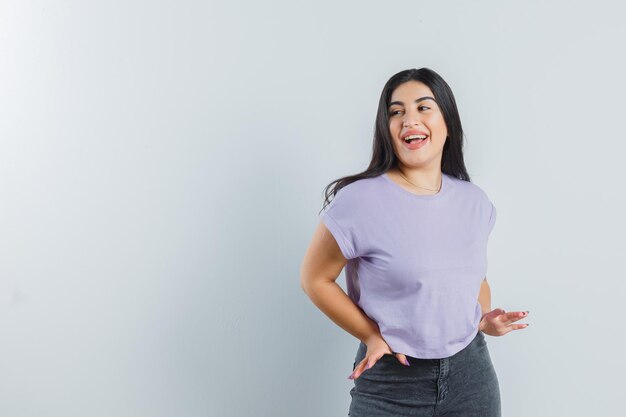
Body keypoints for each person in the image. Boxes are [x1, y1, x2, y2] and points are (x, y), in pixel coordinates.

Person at [300, 67, 529, 417]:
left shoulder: (475, 202)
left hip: (472, 376)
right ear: (387, 128)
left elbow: (475, 280)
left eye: (424, 107)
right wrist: (371, 335)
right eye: (396, 112)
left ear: (447, 122)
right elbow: (315, 279)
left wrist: (484, 318)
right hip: (392, 379)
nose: (409, 120)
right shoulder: (359, 201)